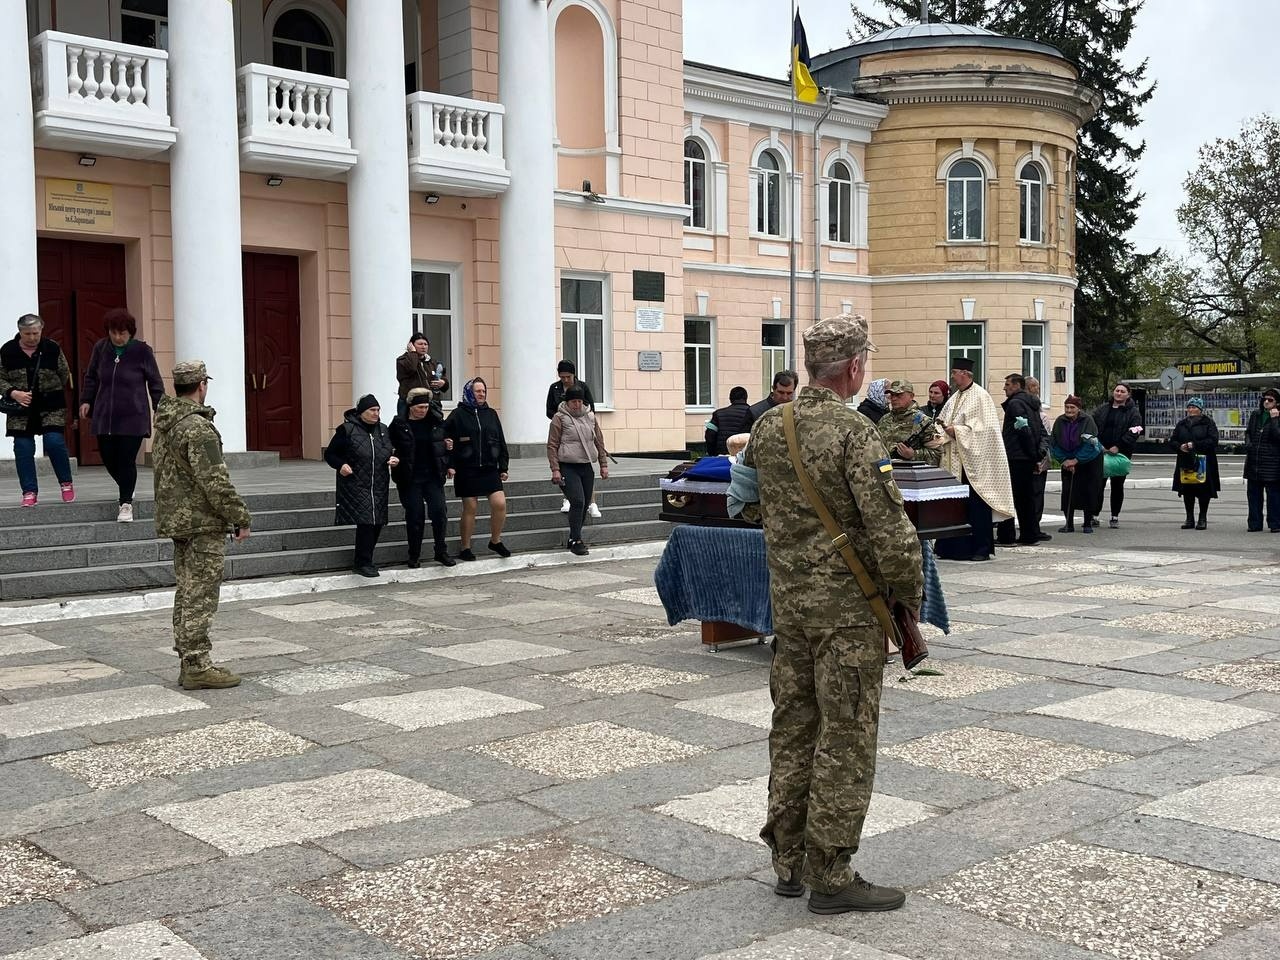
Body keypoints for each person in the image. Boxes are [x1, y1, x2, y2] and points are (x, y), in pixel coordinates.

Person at [743, 314, 922, 915]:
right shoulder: (855, 433)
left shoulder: (770, 426)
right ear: (853, 369)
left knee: (793, 729)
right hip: (847, 616)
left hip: (789, 611)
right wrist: (909, 604)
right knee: (845, 737)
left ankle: (788, 863)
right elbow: (891, 530)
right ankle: (832, 873)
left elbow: (749, 509)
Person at [152, 360, 251, 690]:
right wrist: (239, 516)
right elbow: (215, 480)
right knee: (201, 594)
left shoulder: (168, 423)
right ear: (201, 385)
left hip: (179, 519)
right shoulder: (196, 427)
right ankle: (196, 663)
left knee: (187, 591)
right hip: (201, 520)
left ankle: (188, 659)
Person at [78, 308, 165, 521]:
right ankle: (127, 485)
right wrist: (86, 400)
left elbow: (155, 382)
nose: (118, 337)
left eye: (122, 333)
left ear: (130, 333)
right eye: (114, 332)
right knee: (108, 458)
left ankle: (125, 504)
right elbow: (91, 377)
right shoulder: (101, 348)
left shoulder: (142, 351)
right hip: (105, 414)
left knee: (126, 460)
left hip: (133, 415)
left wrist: (160, 408)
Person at [933, 358, 1016, 562]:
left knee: (976, 506)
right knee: (953, 506)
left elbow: (985, 430)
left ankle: (980, 549)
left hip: (973, 464)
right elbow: (941, 422)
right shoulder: (954, 398)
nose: (952, 376)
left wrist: (957, 431)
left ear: (965, 373)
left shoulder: (981, 397)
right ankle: (950, 548)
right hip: (954, 462)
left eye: (954, 372)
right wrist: (941, 432)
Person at [0, 314, 75, 506]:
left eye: (35, 333)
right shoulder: (7, 351)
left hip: (51, 405)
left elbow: (64, 373)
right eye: (27, 334)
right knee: (23, 448)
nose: (32, 337)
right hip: (21, 408)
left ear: (41, 330)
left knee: (54, 441)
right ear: (20, 332)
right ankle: (29, 491)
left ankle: (66, 482)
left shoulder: (52, 348)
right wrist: (13, 392)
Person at [325, 394, 399, 577]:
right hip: (356, 483)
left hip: (379, 483)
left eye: (378, 410)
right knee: (366, 522)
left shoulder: (382, 430)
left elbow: (390, 450)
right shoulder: (347, 430)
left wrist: (394, 459)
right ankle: (362, 562)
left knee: (377, 522)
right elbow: (331, 454)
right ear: (361, 412)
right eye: (372, 410)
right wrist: (341, 465)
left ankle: (367, 559)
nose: (376, 413)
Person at [446, 377, 511, 560]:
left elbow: (500, 439)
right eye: (477, 391)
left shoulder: (491, 414)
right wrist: (450, 464)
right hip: (467, 468)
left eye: (483, 391)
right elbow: (446, 438)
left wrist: (503, 466)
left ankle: (495, 541)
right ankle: (465, 547)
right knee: (471, 506)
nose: (481, 394)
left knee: (499, 503)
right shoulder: (458, 414)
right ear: (469, 393)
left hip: (489, 467)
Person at [389, 387, 455, 568]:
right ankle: (414, 555)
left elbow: (444, 445)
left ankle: (441, 551)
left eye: (426, 407)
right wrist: (392, 457)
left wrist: (449, 463)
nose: (423, 411)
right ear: (411, 406)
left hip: (433, 476)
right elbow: (388, 445)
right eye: (420, 408)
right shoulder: (399, 425)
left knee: (440, 513)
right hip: (409, 478)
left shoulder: (435, 422)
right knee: (415, 516)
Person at [548, 385, 609, 556]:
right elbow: (552, 446)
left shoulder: (590, 417)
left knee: (584, 505)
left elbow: (599, 441)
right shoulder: (559, 418)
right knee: (578, 501)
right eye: (573, 401)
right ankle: (576, 540)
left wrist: (603, 465)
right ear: (567, 402)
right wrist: (555, 469)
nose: (577, 404)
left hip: (586, 465)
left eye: (579, 401)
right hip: (567, 465)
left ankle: (574, 537)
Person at [995, 373, 1048, 546]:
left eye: (1007, 384)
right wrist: (1036, 455)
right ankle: (1030, 534)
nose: (1005, 388)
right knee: (1026, 499)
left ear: (1017, 385)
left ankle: (1006, 536)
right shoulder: (1032, 404)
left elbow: (1023, 431)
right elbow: (1041, 432)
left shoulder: (1016, 404)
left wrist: (1031, 453)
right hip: (1026, 458)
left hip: (1015, 457)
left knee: (1008, 497)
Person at [545, 360, 600, 517]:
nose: (565, 380)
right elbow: (549, 409)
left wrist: (582, 420)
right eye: (562, 377)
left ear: (573, 374)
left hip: (582, 430)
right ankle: (568, 499)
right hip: (564, 431)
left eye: (567, 376)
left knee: (585, 466)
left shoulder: (582, 387)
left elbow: (591, 409)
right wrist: (560, 418)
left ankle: (592, 502)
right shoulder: (554, 388)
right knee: (568, 467)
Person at [1091, 381, 1142, 529]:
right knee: (1098, 484)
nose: (1118, 393)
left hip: (1121, 453)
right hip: (1101, 451)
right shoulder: (1103, 409)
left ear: (1128, 394)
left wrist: (1118, 446)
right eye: (1117, 390)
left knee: (1117, 485)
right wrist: (1098, 445)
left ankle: (1114, 516)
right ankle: (1094, 515)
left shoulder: (1133, 412)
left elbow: (1135, 431)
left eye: (1122, 391)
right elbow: (1092, 426)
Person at [1049, 396, 1103, 533]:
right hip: (1067, 460)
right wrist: (1064, 460)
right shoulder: (1060, 421)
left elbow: (1091, 444)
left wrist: (1076, 460)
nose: (1069, 410)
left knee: (1088, 491)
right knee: (1068, 491)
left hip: (1088, 461)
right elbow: (1054, 443)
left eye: (1072, 407)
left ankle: (1087, 523)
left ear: (1078, 408)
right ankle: (1069, 523)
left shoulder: (1087, 421)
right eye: (1067, 407)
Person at [1169, 397, 1220, 530]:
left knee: (1203, 490)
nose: (1191, 410)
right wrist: (1180, 447)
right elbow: (1173, 440)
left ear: (1200, 409)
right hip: (1185, 460)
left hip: (1203, 461)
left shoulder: (1208, 423)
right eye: (1189, 407)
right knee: (1187, 490)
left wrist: (1194, 445)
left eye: (1194, 407)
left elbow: (1213, 440)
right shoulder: (1182, 424)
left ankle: (1202, 518)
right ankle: (1189, 518)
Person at [877, 379, 941, 466]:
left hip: (912, 475)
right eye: (892, 395)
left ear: (911, 396)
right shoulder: (884, 420)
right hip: (886, 472)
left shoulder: (922, 422)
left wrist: (913, 454)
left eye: (899, 395)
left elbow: (937, 454)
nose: (894, 398)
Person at [1244, 387, 1280, 532]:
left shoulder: (1277, 417)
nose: (1266, 402)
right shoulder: (1256, 415)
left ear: (1277, 402)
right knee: (1253, 495)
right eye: (1264, 399)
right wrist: (1248, 444)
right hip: (1254, 461)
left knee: (1274, 496)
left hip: (1272, 463)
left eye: (1270, 400)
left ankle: (1275, 523)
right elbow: (1248, 432)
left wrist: (1275, 419)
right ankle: (1254, 523)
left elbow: (1278, 436)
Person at [1025, 377, 1053, 540]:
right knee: (1032, 494)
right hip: (1032, 458)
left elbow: (1045, 437)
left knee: (1037, 493)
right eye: (1034, 386)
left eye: (1037, 386)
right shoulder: (1028, 411)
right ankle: (1031, 525)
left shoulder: (1040, 414)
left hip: (1039, 458)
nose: (1037, 389)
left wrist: (1040, 457)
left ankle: (1034, 524)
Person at [395, 333, 448, 418]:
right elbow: (412, 368)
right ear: (411, 345)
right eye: (420, 344)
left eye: (425, 344)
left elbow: (443, 379)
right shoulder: (402, 360)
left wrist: (443, 382)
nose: (423, 347)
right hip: (410, 404)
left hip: (431, 403)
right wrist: (412, 353)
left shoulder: (432, 362)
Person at [705, 386, 754, 456]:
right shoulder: (754, 413)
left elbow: (710, 435)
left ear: (730, 399)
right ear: (746, 398)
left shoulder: (718, 414)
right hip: (744, 457)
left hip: (722, 456)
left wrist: (712, 453)